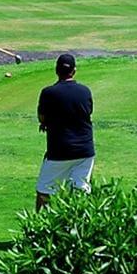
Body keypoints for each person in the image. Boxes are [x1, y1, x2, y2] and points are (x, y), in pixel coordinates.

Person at [35, 54, 95, 210]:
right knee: (80, 191)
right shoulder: (85, 91)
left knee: (44, 192)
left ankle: (40, 224)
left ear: (56, 70)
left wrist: (46, 123)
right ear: (74, 71)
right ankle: (81, 223)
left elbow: (42, 117)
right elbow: (88, 112)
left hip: (59, 152)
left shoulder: (48, 93)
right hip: (85, 152)